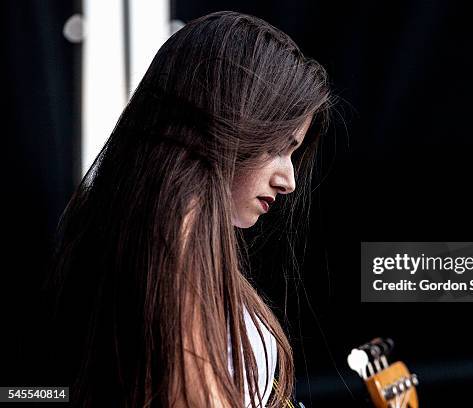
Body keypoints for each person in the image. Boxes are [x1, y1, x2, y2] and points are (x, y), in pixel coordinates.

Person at [46, 10, 332, 407]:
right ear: (225, 119)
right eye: (276, 146)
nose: (288, 180)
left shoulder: (183, 234)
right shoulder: (171, 232)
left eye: (292, 152)